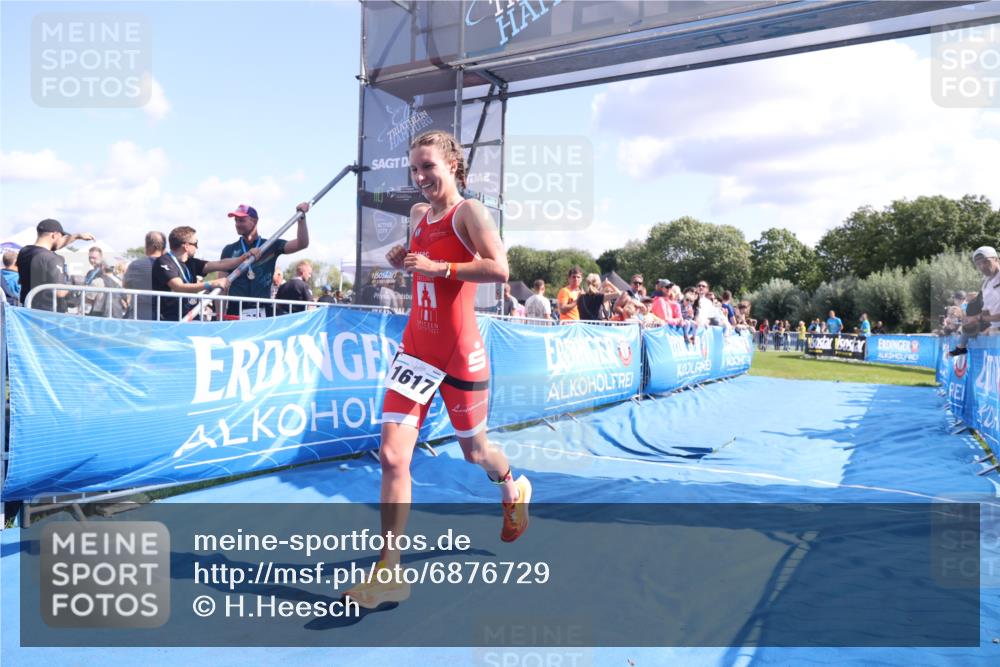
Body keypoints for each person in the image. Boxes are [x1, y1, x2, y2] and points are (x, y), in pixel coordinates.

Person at [343, 130, 529, 609]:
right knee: (392, 456)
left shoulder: (470, 213)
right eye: (416, 169)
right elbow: (420, 262)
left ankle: (513, 486)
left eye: (429, 166)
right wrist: (403, 260)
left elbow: (500, 268)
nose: (421, 177)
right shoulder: (419, 215)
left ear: (452, 165)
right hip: (416, 352)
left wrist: (439, 268)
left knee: (475, 453)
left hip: (460, 353)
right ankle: (389, 569)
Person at [220, 202, 310, 318]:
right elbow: (222, 287)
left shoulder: (270, 245)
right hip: (235, 308)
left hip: (262, 308)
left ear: (254, 221)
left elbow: (301, 244)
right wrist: (220, 316)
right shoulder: (229, 250)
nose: (237, 224)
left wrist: (301, 218)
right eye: (236, 221)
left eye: (241, 220)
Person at [153, 226, 260, 321]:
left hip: (191, 318)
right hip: (168, 321)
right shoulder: (164, 261)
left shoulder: (191, 262)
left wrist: (243, 257)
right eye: (195, 243)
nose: (197, 247)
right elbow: (178, 286)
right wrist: (211, 284)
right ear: (186, 246)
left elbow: (221, 264)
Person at [17, 219, 95, 311]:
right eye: (61, 236)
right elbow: (60, 292)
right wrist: (74, 284)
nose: (62, 239)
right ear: (54, 235)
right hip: (49, 314)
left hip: (27, 310)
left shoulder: (24, 252)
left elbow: (55, 246)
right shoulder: (53, 258)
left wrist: (76, 236)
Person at [950, 246, 1000, 356]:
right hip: (994, 333)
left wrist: (979, 318)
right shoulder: (985, 284)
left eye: (986, 262)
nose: (982, 266)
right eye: (978, 264)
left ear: (996, 259)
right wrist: (972, 319)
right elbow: (986, 312)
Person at [123, 231, 166, 320]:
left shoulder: (136, 265)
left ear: (147, 246)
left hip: (139, 314)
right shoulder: (171, 266)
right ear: (163, 248)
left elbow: (126, 285)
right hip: (164, 315)